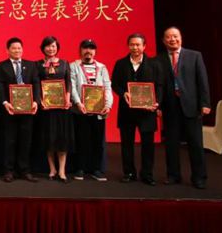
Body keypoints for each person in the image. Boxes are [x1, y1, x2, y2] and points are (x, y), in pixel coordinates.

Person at [158, 27, 211, 189]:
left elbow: (202, 80)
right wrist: (158, 105)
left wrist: (205, 103)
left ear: (181, 38)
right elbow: (158, 85)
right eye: (168, 37)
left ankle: (199, 177)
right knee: (171, 144)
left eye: (175, 36)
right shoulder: (158, 59)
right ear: (163, 41)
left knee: (195, 143)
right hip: (170, 107)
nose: (172, 39)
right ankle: (173, 175)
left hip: (191, 105)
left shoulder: (194, 56)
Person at [111, 33, 163, 186]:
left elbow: (160, 86)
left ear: (144, 46)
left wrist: (157, 103)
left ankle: (147, 174)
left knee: (148, 144)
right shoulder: (120, 64)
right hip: (127, 110)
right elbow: (115, 84)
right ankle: (129, 172)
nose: (135, 47)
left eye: (138, 45)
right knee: (127, 144)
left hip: (147, 111)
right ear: (128, 46)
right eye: (132, 44)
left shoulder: (154, 64)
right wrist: (123, 93)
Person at [0, 37, 41, 183]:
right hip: (9, 110)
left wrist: (36, 101)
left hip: (28, 110)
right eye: (14, 48)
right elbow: (0, 86)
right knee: (9, 141)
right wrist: (5, 102)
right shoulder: (1, 66)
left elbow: (36, 84)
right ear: (7, 50)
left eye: (19, 48)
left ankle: (25, 170)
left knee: (25, 141)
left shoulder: (31, 65)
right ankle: (9, 171)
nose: (17, 50)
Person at [69, 39, 113, 181]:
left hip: (98, 111)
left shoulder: (102, 67)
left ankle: (96, 169)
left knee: (97, 141)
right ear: (80, 50)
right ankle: (80, 168)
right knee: (81, 140)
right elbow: (72, 86)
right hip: (80, 110)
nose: (88, 51)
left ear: (95, 51)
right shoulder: (73, 66)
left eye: (91, 48)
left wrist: (108, 105)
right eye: (85, 48)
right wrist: (78, 103)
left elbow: (107, 87)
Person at [36, 36, 74, 183]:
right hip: (46, 108)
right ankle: (52, 169)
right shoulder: (37, 64)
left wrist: (67, 98)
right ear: (43, 48)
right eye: (48, 46)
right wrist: (40, 101)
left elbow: (68, 82)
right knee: (49, 139)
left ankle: (62, 171)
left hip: (62, 108)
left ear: (57, 48)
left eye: (53, 46)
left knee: (61, 139)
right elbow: (36, 84)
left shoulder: (64, 63)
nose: (50, 49)